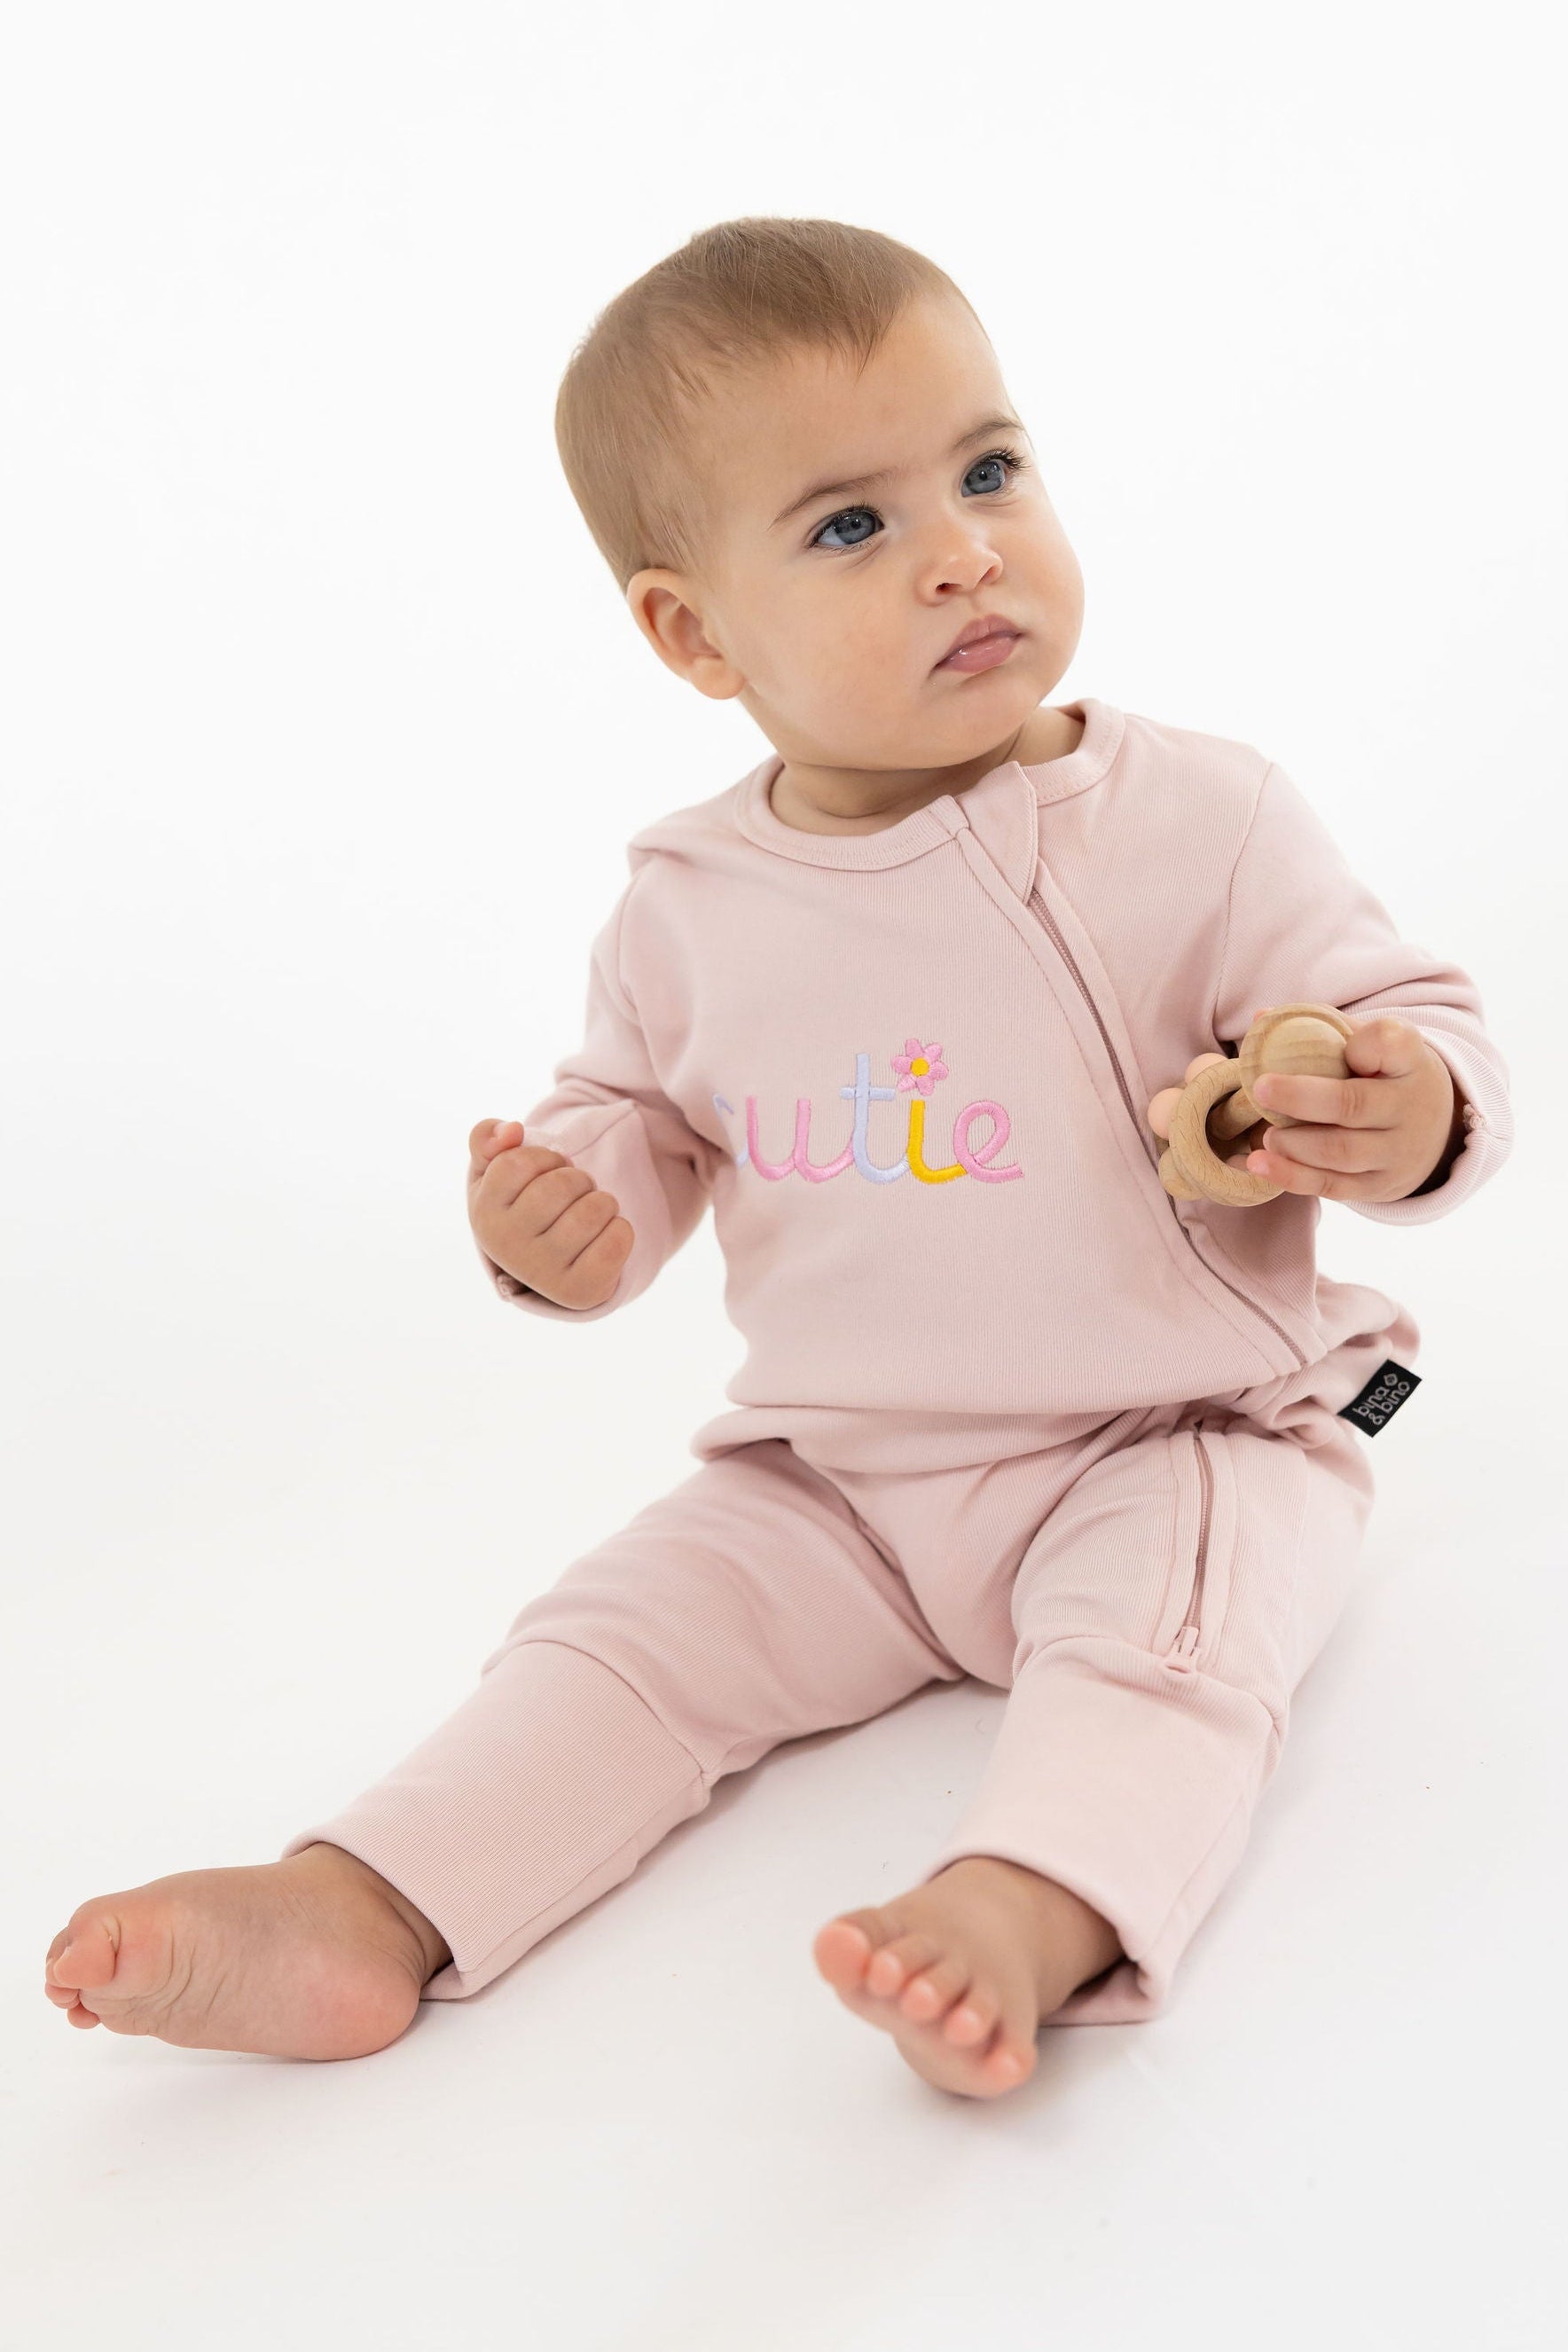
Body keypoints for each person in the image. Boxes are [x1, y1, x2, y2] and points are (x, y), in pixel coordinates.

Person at [43, 216, 1512, 2097]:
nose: (961, 551)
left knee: (1166, 1652)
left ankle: (1028, 1905)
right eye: (851, 526)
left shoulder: (1199, 814)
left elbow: (1402, 1010)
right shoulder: (692, 902)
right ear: (692, 634)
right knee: (613, 1641)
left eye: (988, 470)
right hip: (841, 1482)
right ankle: (360, 1903)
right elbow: (628, 1117)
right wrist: (565, 1218)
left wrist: (1408, 1105)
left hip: (1178, 1436)